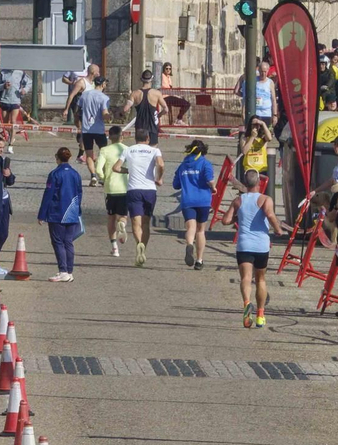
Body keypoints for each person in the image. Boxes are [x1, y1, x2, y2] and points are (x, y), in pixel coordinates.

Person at [221, 169, 283, 328]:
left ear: (245, 184)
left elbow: (225, 220)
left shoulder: (238, 201)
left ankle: (247, 303)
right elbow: (269, 214)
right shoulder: (265, 199)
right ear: (259, 183)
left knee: (246, 278)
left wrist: (238, 216)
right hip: (261, 245)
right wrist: (278, 229)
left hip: (244, 244)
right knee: (261, 279)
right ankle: (261, 314)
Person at [115, 127, 164, 267]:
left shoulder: (128, 150)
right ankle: (143, 246)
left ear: (135, 139)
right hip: (149, 190)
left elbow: (116, 168)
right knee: (146, 223)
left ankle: (138, 244)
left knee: (136, 222)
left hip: (133, 189)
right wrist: (158, 178)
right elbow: (161, 164)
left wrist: (127, 170)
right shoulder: (155, 150)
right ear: (148, 139)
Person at [39, 146, 83, 282]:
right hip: (72, 211)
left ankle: (63, 270)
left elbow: (49, 194)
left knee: (58, 241)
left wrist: (42, 214)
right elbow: (79, 193)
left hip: (57, 212)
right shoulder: (76, 174)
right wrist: (78, 210)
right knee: (68, 242)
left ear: (57, 158)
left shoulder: (55, 174)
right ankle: (69, 271)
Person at [172, 140, 215, 270]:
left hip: (188, 201)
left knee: (191, 227)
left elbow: (176, 185)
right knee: (201, 230)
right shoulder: (205, 163)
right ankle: (199, 260)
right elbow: (210, 180)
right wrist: (214, 188)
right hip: (203, 200)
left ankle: (189, 244)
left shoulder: (183, 165)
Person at [94, 125, 129, 257]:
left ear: (109, 137)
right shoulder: (127, 149)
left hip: (110, 188)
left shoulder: (104, 150)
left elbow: (98, 169)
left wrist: (103, 178)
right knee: (123, 216)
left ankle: (114, 248)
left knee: (110, 217)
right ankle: (122, 224)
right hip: (125, 187)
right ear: (122, 136)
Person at [76, 76, 111, 181]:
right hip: (99, 130)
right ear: (103, 84)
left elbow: (78, 110)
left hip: (86, 129)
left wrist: (78, 123)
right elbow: (105, 113)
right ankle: (103, 176)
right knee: (104, 153)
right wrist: (109, 117)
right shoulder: (104, 98)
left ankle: (93, 176)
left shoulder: (85, 95)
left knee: (89, 154)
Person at [0, 129, 17, 269]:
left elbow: (11, 181)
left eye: (3, 147)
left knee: (4, 233)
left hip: (5, 200)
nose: (1, 150)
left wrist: (9, 174)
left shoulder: (3, 161)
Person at [125, 69, 166, 143]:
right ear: (152, 79)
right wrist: (158, 115)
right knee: (152, 150)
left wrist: (120, 112)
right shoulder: (156, 93)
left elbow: (126, 108)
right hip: (152, 126)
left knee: (140, 149)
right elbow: (166, 109)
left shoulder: (135, 93)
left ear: (141, 79)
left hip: (140, 126)